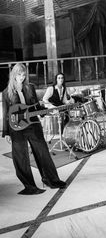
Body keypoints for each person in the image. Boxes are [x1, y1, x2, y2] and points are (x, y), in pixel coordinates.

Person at [2, 64, 66, 195]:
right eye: (19, 74)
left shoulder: (30, 87)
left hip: (33, 124)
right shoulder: (6, 93)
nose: (22, 77)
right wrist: (6, 133)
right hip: (16, 129)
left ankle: (51, 180)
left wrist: (45, 112)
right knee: (21, 157)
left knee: (43, 153)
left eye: (24, 74)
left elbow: (36, 106)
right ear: (14, 75)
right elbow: (6, 114)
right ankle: (29, 186)